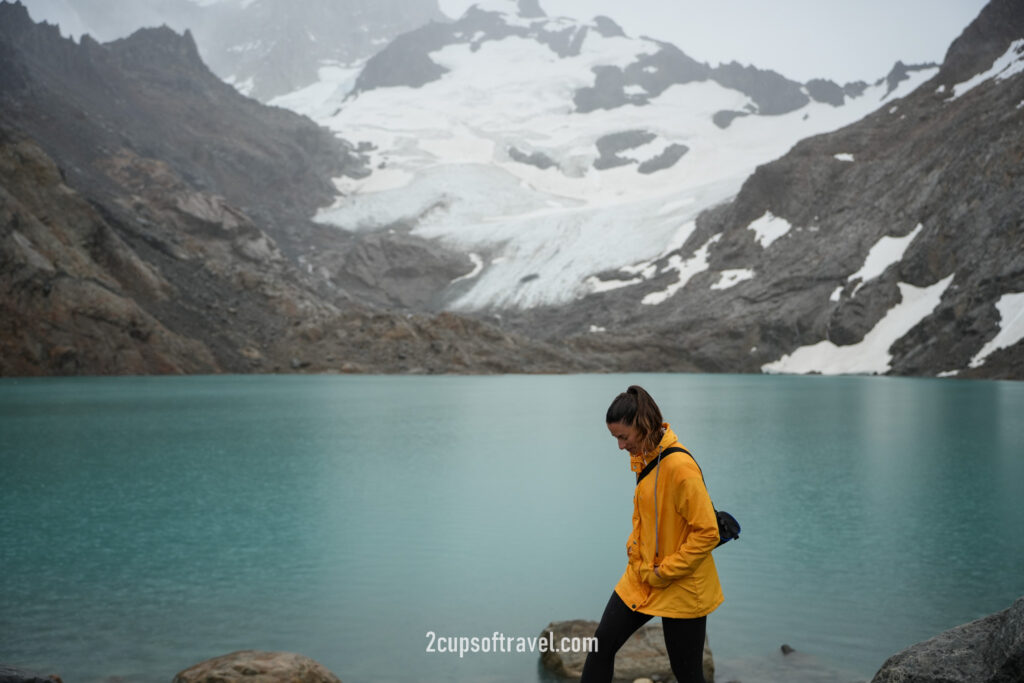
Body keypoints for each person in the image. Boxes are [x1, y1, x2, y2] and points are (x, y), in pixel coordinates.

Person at [580, 385, 723, 683]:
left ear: (643, 426)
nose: (620, 446)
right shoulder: (645, 459)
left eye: (623, 437)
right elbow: (647, 519)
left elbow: (708, 532)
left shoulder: (680, 468)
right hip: (642, 575)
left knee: (687, 674)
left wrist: (665, 571)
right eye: (615, 438)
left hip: (682, 585)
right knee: (600, 645)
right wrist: (635, 548)